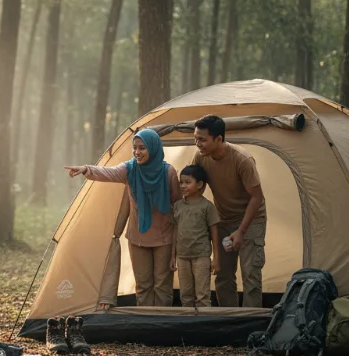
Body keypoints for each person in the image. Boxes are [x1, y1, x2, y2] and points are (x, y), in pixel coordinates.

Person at [65, 128, 181, 306]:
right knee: (143, 285)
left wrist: (178, 245)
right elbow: (108, 172)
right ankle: (144, 320)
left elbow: (178, 206)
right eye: (134, 147)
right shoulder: (130, 169)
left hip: (164, 238)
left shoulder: (168, 172)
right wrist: (86, 169)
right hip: (137, 238)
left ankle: (161, 321)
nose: (137, 152)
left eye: (142, 148)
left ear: (153, 148)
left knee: (162, 286)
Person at [193, 115, 267, 307]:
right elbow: (194, 188)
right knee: (223, 275)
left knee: (250, 275)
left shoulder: (242, 160)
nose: (198, 144)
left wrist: (241, 231)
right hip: (223, 220)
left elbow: (257, 198)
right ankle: (228, 319)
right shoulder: (200, 157)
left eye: (202, 139)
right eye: (195, 138)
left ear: (218, 139)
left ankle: (251, 322)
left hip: (251, 220)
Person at [171, 164, 220, 308]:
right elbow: (175, 231)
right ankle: (188, 320)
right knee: (185, 294)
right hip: (182, 257)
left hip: (201, 256)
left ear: (199, 184)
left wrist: (216, 258)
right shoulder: (178, 206)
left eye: (188, 182)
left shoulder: (207, 206)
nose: (183, 186)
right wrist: (172, 256)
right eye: (181, 182)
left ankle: (204, 320)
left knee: (202, 295)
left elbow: (214, 233)